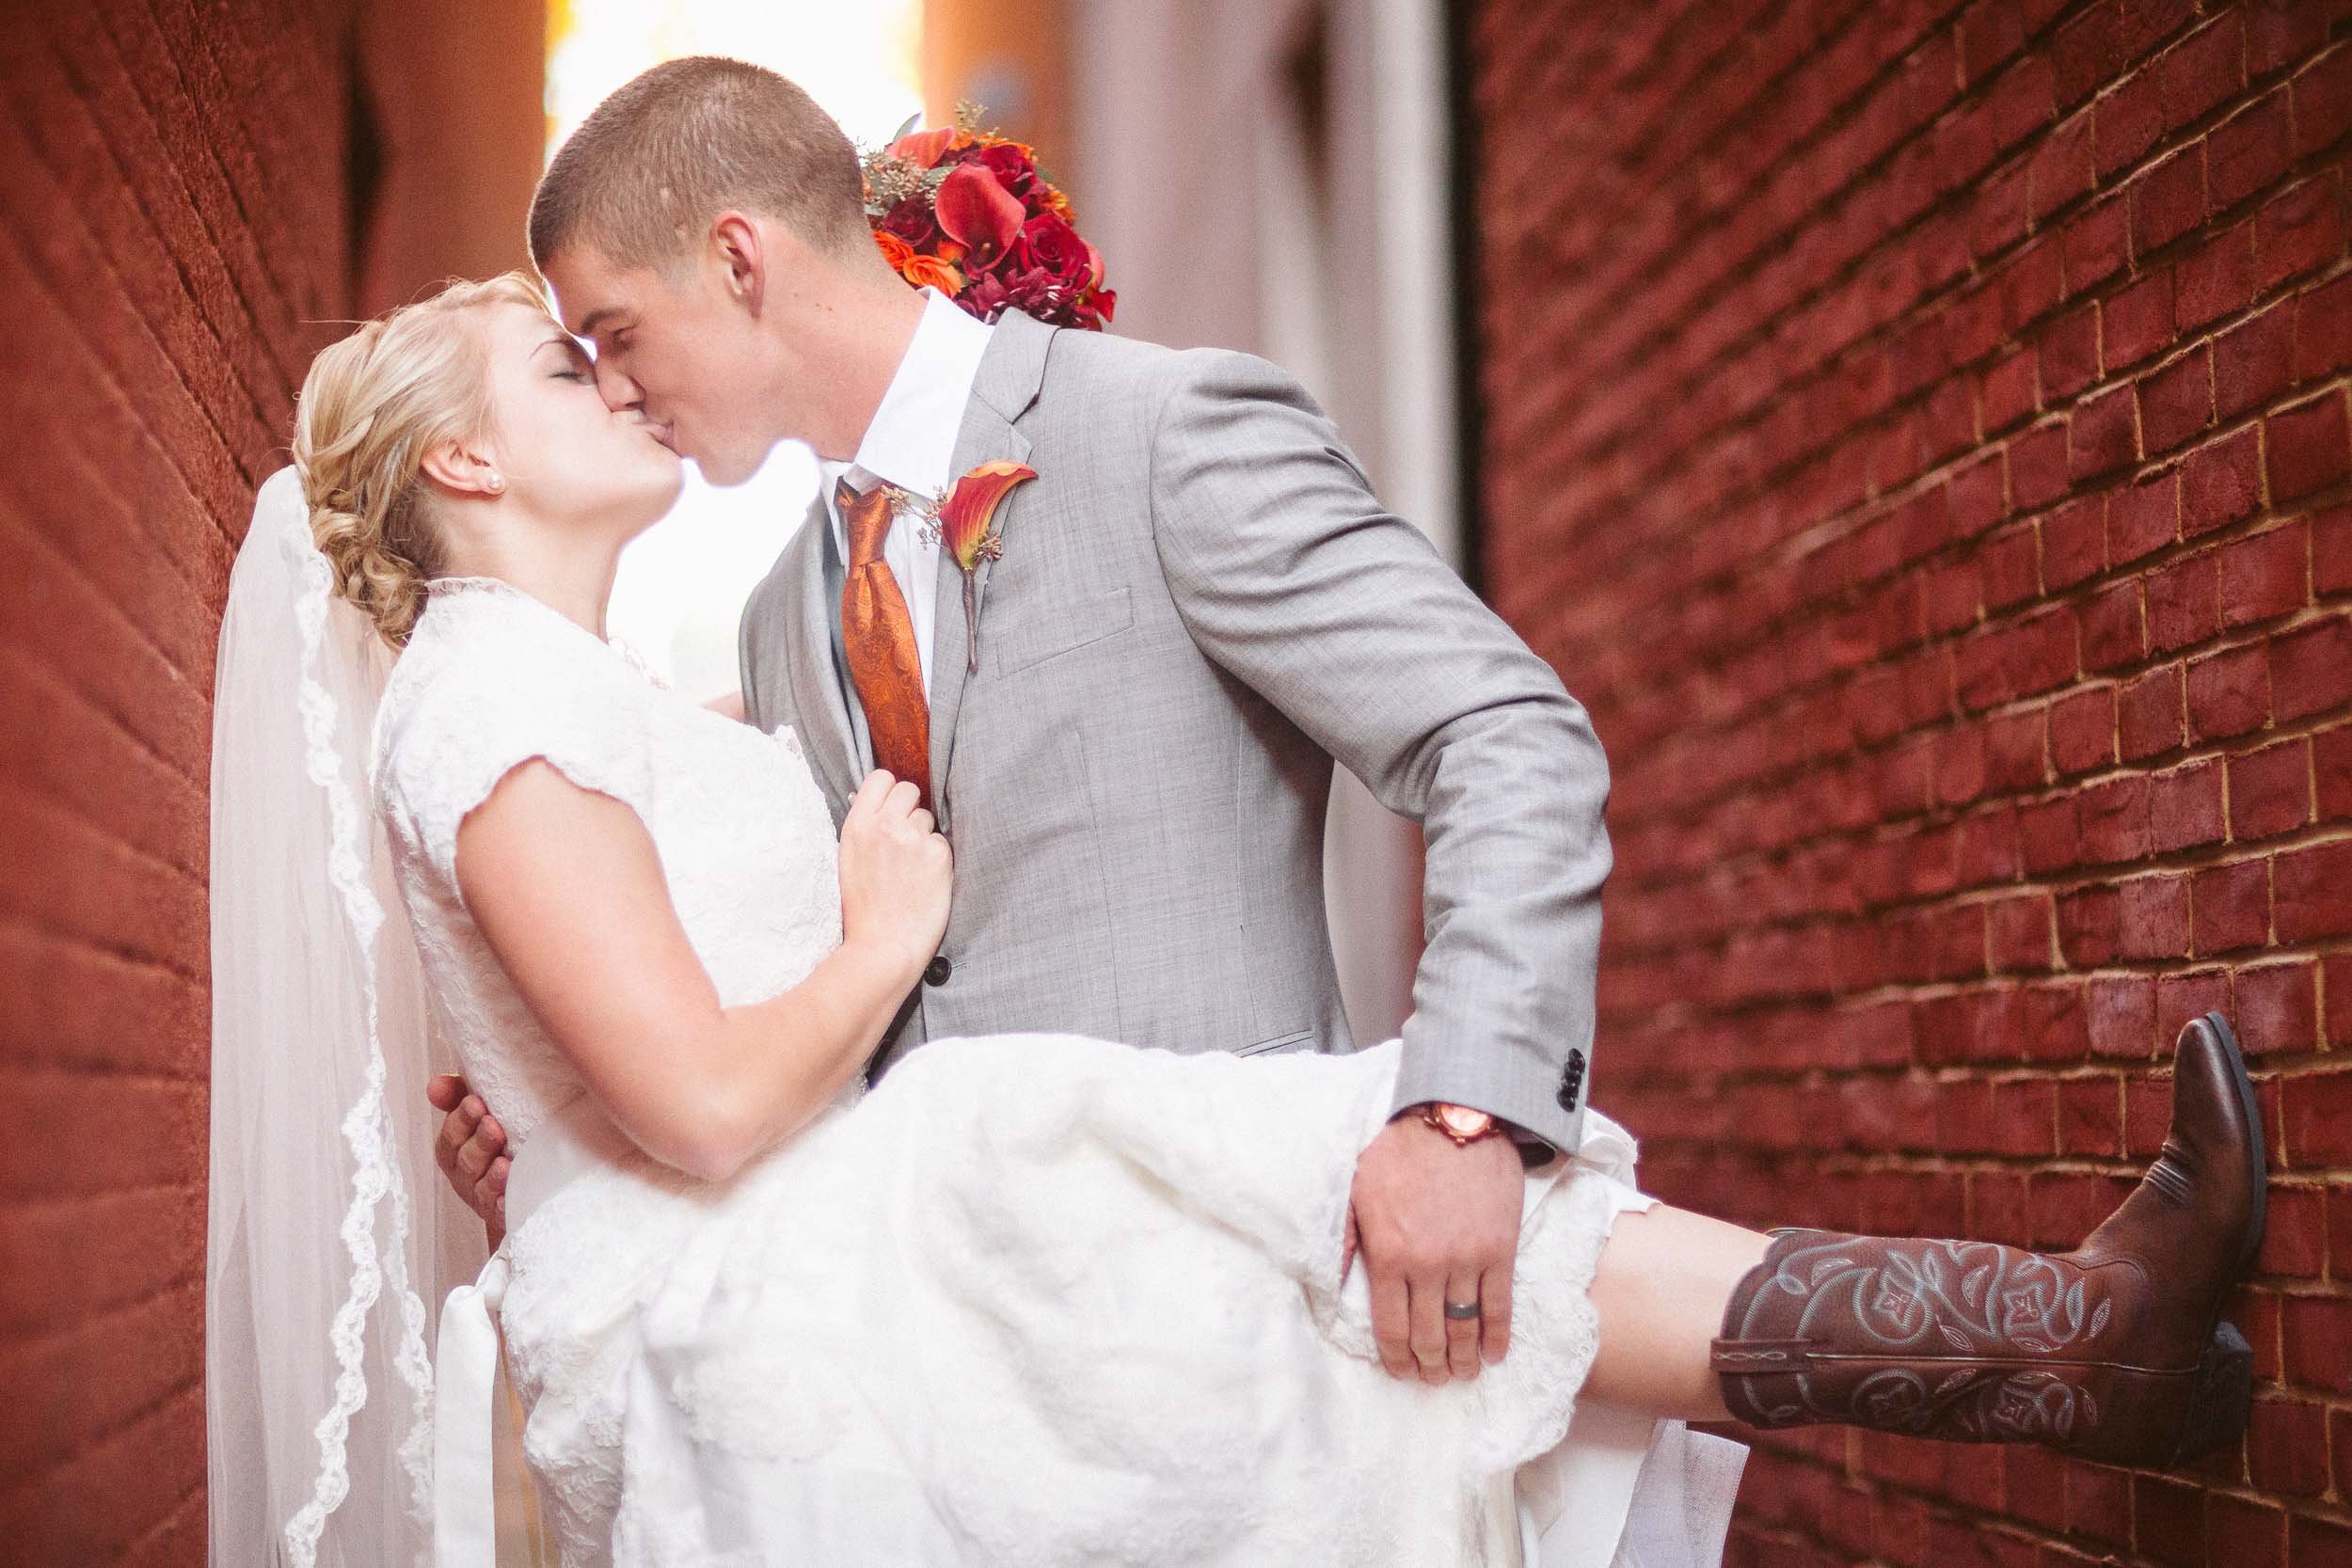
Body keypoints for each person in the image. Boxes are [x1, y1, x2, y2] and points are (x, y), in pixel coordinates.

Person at [203, 266, 2264, 1567]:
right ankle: (2063, 1340)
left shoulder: (641, 682)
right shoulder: (492, 694)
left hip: (850, 1231)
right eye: (560, 364)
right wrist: (868, 941)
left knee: (1350, 1231)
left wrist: (557, 1114)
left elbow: (624, 1028)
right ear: (462, 453)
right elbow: (713, 1103)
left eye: (614, 334)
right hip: (772, 1284)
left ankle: (2068, 1345)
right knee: (1307, 1224)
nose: (616, 381)